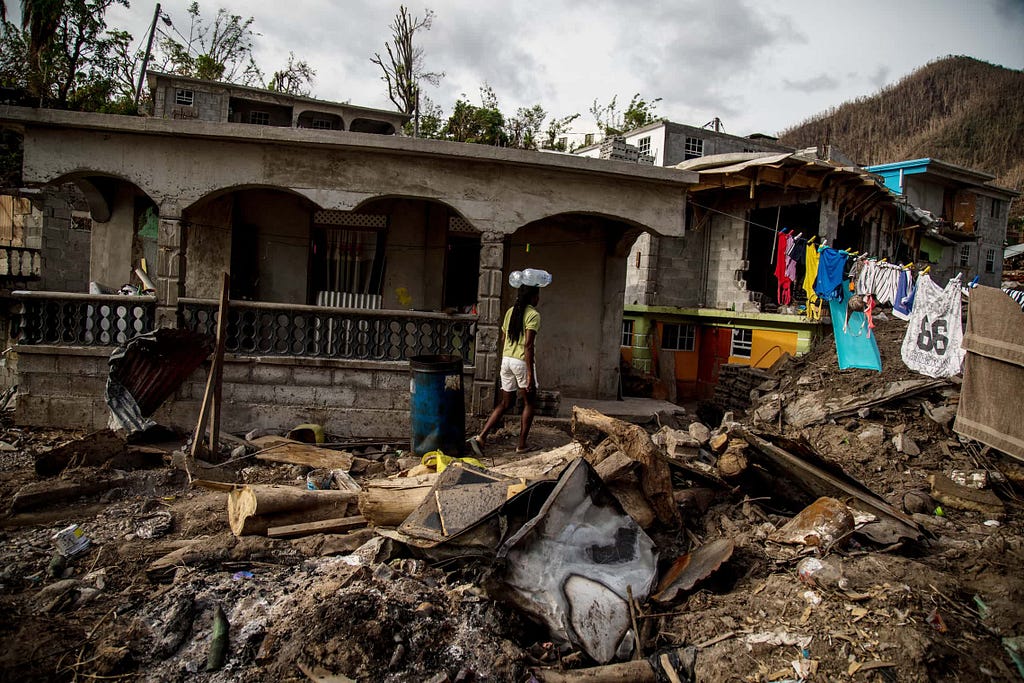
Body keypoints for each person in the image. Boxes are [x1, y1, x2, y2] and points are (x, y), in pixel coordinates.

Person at [470, 284, 541, 455]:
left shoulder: (510, 311)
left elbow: (503, 338)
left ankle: (482, 436)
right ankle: (522, 444)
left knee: (505, 403)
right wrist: (530, 374)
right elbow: (528, 345)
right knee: (530, 402)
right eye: (538, 295)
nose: (539, 299)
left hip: (506, 360)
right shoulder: (533, 315)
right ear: (532, 297)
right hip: (521, 361)